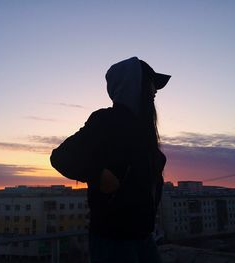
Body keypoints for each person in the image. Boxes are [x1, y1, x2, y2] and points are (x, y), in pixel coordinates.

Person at [50, 57, 171, 263]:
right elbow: (61, 157)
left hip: (144, 237)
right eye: (150, 83)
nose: (155, 91)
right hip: (114, 241)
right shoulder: (105, 121)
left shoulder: (143, 131)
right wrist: (97, 174)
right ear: (133, 86)